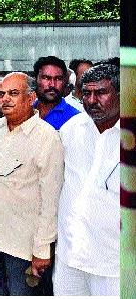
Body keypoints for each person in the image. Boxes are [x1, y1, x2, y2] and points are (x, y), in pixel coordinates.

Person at [0, 72, 64, 296]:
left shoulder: (46, 137)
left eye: (14, 93)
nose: (5, 99)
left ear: (31, 97)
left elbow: (51, 199)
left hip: (21, 246)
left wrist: (43, 248)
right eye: (2, 94)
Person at [54, 64, 119, 296]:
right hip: (70, 257)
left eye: (101, 93)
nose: (92, 100)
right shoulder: (71, 130)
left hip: (114, 264)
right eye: (87, 93)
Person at [33, 56, 80, 130]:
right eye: (46, 78)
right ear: (35, 80)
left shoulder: (76, 119)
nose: (52, 84)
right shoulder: (25, 111)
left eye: (58, 79)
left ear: (65, 82)